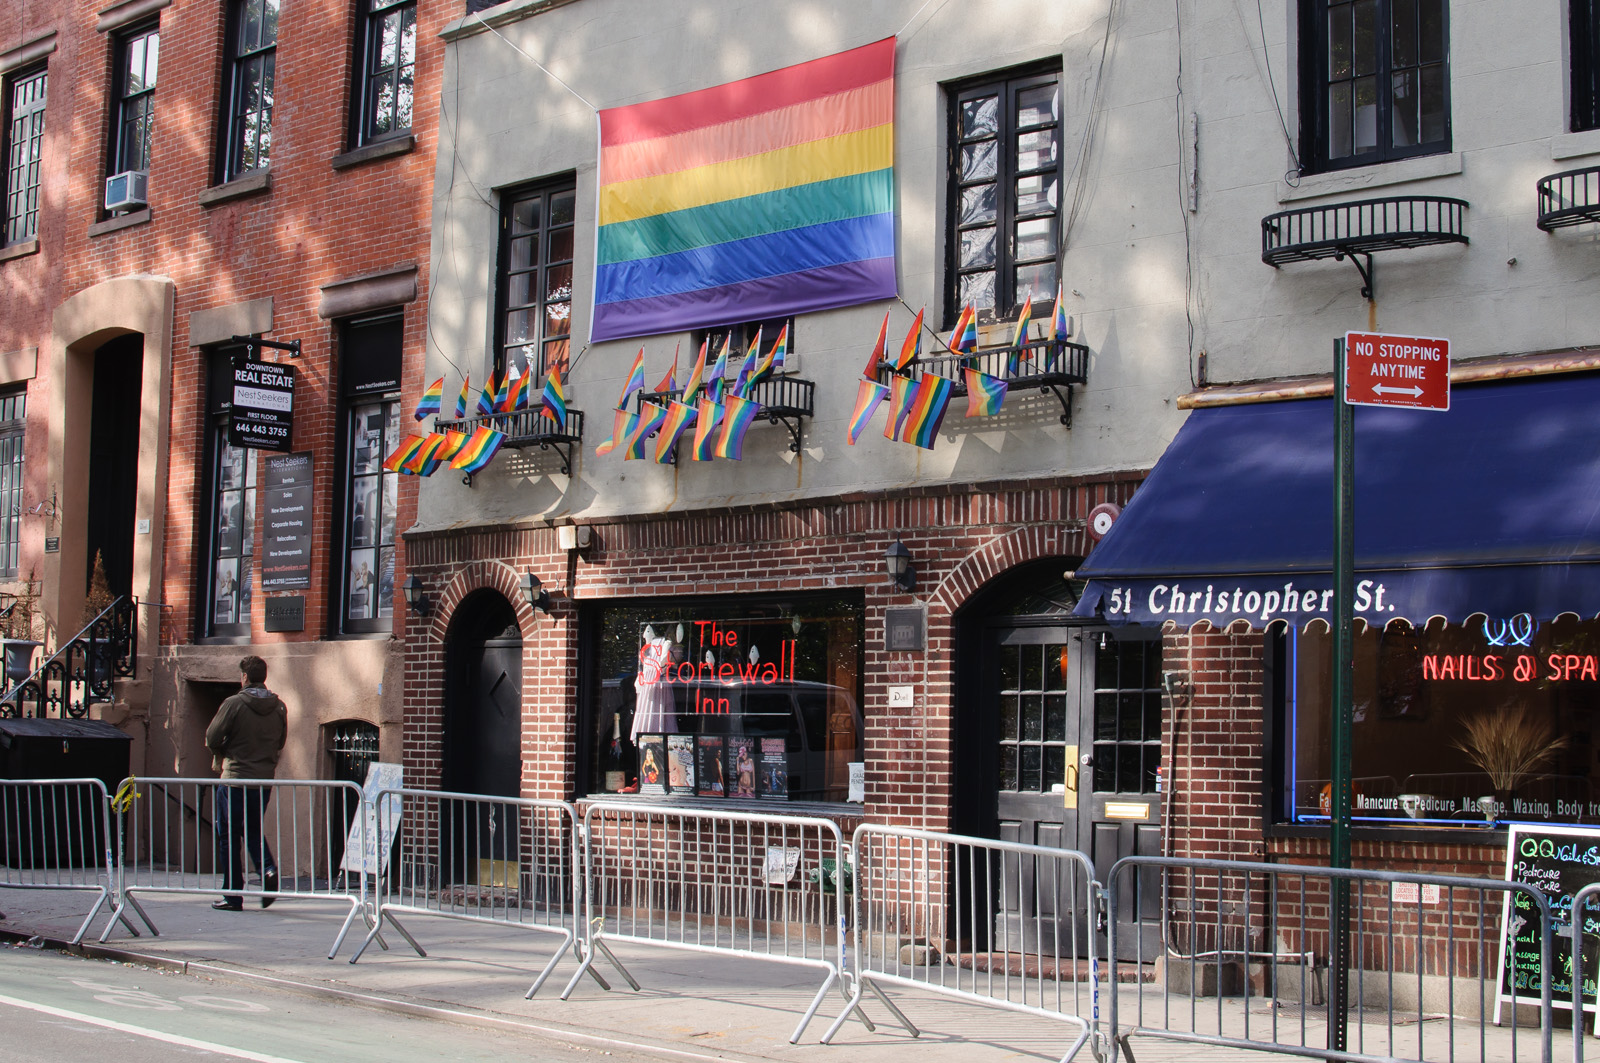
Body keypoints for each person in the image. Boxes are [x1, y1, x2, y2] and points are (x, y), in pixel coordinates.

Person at [206, 655, 288, 911]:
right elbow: (281, 741)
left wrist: (226, 749)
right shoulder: (279, 707)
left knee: (228, 836)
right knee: (252, 829)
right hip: (262, 780)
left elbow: (212, 737)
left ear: (244, 677)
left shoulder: (234, 704)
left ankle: (233, 895)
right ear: (263, 677)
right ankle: (268, 869)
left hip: (235, 778)